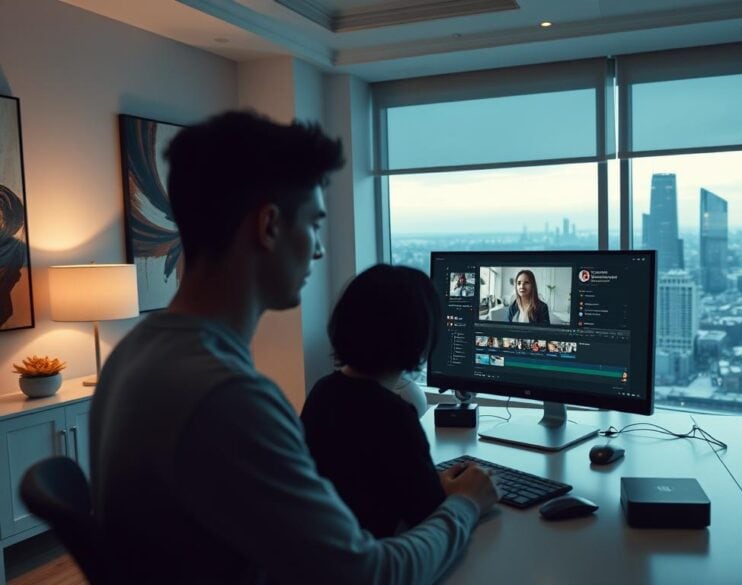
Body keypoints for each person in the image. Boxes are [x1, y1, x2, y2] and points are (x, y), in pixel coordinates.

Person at [90, 111, 498, 584]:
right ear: (269, 226)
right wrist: (467, 504)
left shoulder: (135, 353)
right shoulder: (228, 398)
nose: (320, 250)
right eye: (315, 224)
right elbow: (369, 576)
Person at [303, 265, 455, 538]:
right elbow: (430, 514)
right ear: (417, 335)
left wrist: (435, 482)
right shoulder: (394, 415)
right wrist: (470, 497)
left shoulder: (321, 392)